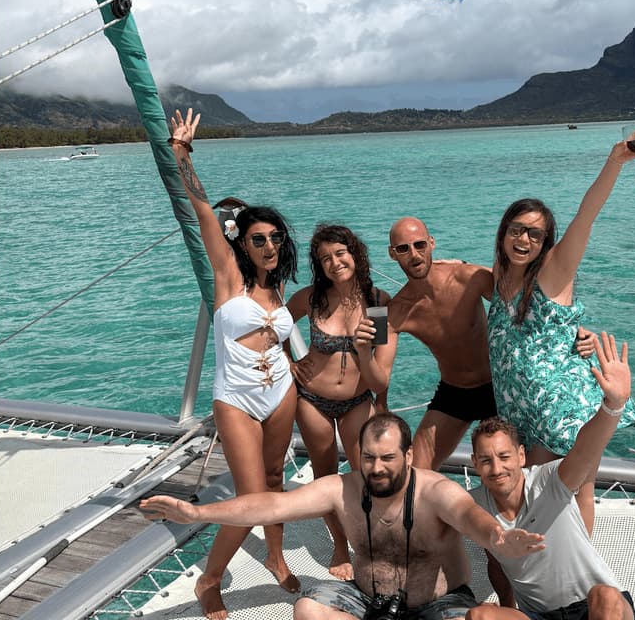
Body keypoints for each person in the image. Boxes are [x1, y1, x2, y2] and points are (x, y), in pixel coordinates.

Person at [141, 412, 547, 620]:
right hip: (367, 601)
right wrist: (198, 511)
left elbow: (468, 515)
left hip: (437, 607)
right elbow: (271, 504)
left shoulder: (435, 490)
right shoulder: (343, 489)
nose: (378, 468)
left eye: (388, 458)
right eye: (368, 458)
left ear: (407, 456)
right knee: (307, 609)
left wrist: (496, 537)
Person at [169, 108, 300, 619]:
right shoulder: (230, 278)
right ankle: (210, 579)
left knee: (274, 477)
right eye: (258, 239)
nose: (269, 245)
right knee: (250, 497)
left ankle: (273, 554)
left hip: (282, 390)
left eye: (275, 238)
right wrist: (183, 156)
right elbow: (202, 210)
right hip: (238, 400)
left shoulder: (277, 285)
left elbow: (278, 338)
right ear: (241, 244)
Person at [488, 136, 635, 533]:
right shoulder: (500, 277)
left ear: (547, 243)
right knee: (540, 495)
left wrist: (615, 161)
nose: (524, 240)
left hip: (558, 406)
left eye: (536, 235)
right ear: (504, 232)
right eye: (517, 230)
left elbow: (586, 216)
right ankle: (551, 568)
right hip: (521, 409)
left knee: (572, 493)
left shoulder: (552, 272)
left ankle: (579, 577)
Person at [386, 218, 595, 472]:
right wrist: (365, 338)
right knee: (414, 472)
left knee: (512, 471)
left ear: (432, 244)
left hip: (500, 387)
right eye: (403, 249)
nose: (414, 254)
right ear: (392, 254)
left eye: (419, 245)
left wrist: (574, 332)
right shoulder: (395, 311)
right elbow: (377, 375)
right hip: (454, 392)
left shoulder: (467, 277)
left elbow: (528, 301)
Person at [467, 332, 635, 620]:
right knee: (481, 616)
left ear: (522, 456)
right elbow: (495, 561)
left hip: (593, 609)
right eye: (486, 461)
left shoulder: (549, 481)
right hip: (541, 616)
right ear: (474, 463)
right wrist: (507, 605)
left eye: (504, 457)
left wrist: (613, 406)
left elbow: (586, 448)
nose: (497, 469)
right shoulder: (474, 504)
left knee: (605, 595)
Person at [286, 223, 397, 581]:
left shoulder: (377, 304)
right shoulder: (312, 298)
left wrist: (382, 405)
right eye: (325, 259)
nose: (334, 263)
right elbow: (276, 324)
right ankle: (339, 545)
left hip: (357, 402)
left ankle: (371, 544)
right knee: (325, 477)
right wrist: (286, 361)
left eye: (340, 253)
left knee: (368, 476)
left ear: (355, 254)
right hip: (312, 400)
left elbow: (379, 375)